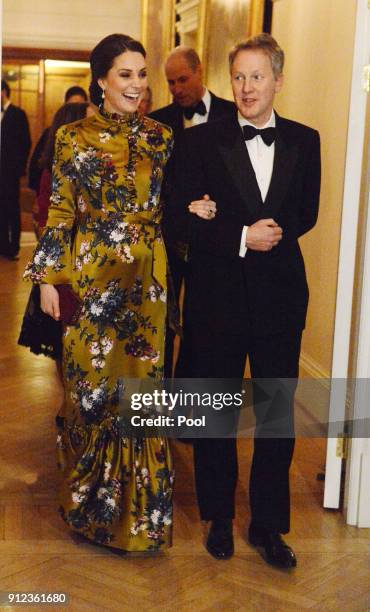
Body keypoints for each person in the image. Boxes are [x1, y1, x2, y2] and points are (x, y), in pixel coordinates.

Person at [165, 33, 321, 567]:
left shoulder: (306, 139)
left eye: (257, 76)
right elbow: (180, 220)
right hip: (217, 299)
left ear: (278, 79)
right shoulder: (198, 142)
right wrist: (238, 236)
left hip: (280, 299)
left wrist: (267, 231)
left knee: (277, 418)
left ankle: (268, 527)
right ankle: (219, 520)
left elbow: (307, 212)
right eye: (239, 77)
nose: (247, 87)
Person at [23, 34, 177, 552]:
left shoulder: (162, 138)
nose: (137, 84)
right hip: (91, 283)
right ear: (102, 81)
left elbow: (173, 204)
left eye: (141, 73)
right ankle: (90, 514)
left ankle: (141, 526)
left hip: (147, 286)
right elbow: (60, 212)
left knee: (142, 399)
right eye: (126, 74)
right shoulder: (71, 139)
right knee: (90, 397)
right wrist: (47, 278)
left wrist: (195, 211)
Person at [150, 46, 236, 378]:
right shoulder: (158, 122)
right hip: (169, 237)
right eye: (170, 83)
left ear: (200, 70)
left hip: (214, 240)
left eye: (183, 79)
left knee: (203, 325)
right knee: (162, 322)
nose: (177, 89)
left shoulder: (233, 116)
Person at [28, 86, 88, 195]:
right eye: (72, 106)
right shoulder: (52, 132)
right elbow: (37, 165)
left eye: (80, 106)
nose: (76, 110)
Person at [0, 79, 31, 260]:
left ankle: (13, 247)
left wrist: (18, 168)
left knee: (11, 208)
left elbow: (25, 143)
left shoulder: (18, 114)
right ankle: (2, 245)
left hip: (10, 171)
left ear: (3, 92)